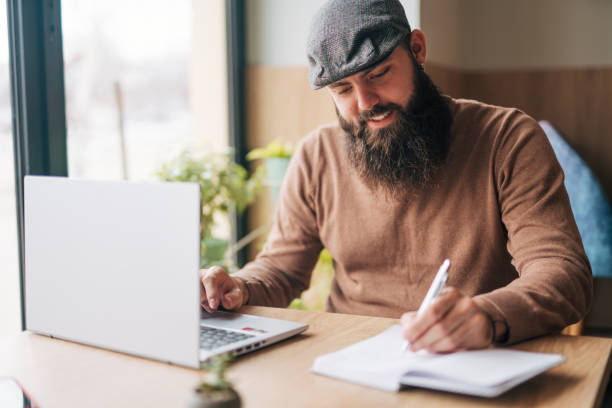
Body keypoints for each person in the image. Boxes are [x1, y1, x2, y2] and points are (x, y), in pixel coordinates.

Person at [200, 0, 592, 352]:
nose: (365, 102)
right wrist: (238, 288)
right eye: (342, 89)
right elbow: (282, 270)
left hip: (471, 359)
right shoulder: (316, 156)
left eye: (379, 73)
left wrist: (487, 315)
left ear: (417, 50)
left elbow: (562, 272)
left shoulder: (508, 139)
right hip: (347, 360)